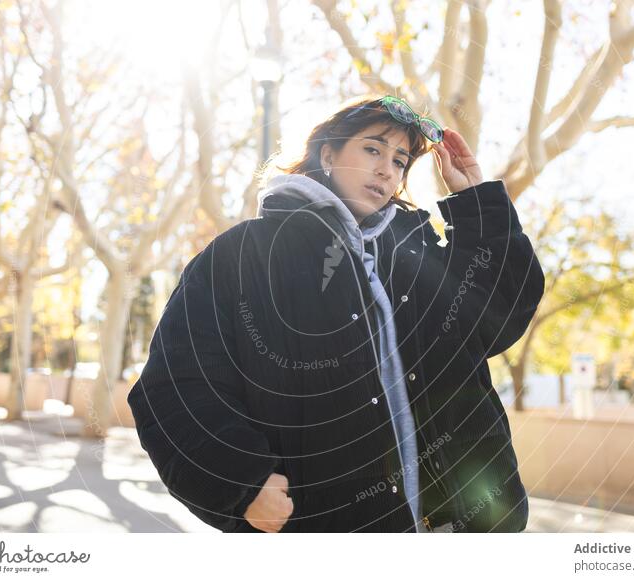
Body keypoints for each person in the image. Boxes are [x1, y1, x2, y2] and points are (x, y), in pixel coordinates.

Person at [127, 94, 545, 533]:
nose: (387, 169)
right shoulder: (243, 254)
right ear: (327, 153)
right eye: (372, 150)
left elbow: (501, 313)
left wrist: (477, 201)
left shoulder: (416, 251)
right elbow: (174, 385)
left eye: (400, 161)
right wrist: (241, 483)